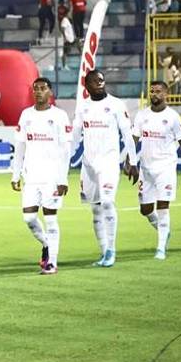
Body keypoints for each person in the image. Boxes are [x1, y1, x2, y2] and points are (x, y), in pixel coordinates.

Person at [71, 70, 138, 267]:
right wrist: (63, 162)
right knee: (95, 208)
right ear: (87, 85)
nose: (100, 83)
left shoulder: (116, 105)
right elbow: (75, 136)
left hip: (109, 162)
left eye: (101, 79)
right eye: (95, 80)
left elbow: (127, 134)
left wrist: (132, 162)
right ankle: (103, 251)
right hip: (88, 165)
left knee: (108, 202)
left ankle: (111, 251)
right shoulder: (83, 107)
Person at [12, 77, 72, 275]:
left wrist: (62, 179)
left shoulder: (60, 116)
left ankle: (52, 263)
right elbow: (20, 146)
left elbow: (66, 150)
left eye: (43, 88)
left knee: (51, 219)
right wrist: (15, 173)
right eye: (35, 89)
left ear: (50, 92)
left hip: (52, 178)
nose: (38, 92)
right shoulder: (26, 115)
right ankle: (47, 244)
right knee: (29, 218)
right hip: (31, 177)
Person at [132, 81, 181, 259]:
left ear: (166, 93)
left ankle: (160, 248)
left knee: (163, 206)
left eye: (158, 91)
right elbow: (134, 139)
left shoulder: (173, 116)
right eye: (152, 91)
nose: (154, 94)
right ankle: (164, 231)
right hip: (146, 168)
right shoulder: (142, 115)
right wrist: (130, 161)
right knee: (145, 209)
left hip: (165, 168)